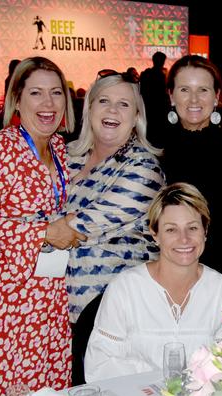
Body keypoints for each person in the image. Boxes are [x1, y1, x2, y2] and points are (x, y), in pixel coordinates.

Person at [0, 57, 82, 396]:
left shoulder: (60, 151)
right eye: (36, 93)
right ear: (16, 100)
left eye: (55, 93)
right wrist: (44, 232)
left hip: (48, 299)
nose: (48, 104)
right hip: (4, 305)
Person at [84, 183, 222, 381]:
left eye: (192, 228)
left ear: (205, 231)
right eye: (171, 230)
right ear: (154, 234)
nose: (184, 239)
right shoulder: (125, 288)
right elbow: (98, 365)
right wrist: (157, 381)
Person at [65, 71, 165, 324]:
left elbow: (80, 227)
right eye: (104, 101)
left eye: (124, 104)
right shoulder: (66, 156)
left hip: (118, 315)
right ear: (89, 109)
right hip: (58, 314)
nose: (113, 110)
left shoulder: (144, 168)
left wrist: (28, 233)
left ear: (136, 117)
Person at [163, 55, 222, 311]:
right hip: (164, 279)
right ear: (171, 95)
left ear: (216, 97)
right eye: (184, 90)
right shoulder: (155, 150)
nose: (194, 100)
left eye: (202, 90)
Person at [139, 51, 169, 148]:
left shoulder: (146, 74)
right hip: (158, 110)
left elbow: (142, 92)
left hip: (149, 109)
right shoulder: (161, 76)